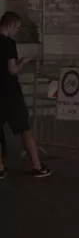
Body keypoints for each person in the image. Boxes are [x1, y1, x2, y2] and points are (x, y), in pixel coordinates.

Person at [0, 10, 51, 179]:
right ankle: (37, 166)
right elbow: (12, 70)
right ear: (12, 25)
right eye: (18, 27)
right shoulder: (8, 43)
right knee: (25, 129)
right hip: (11, 94)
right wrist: (23, 62)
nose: (18, 31)